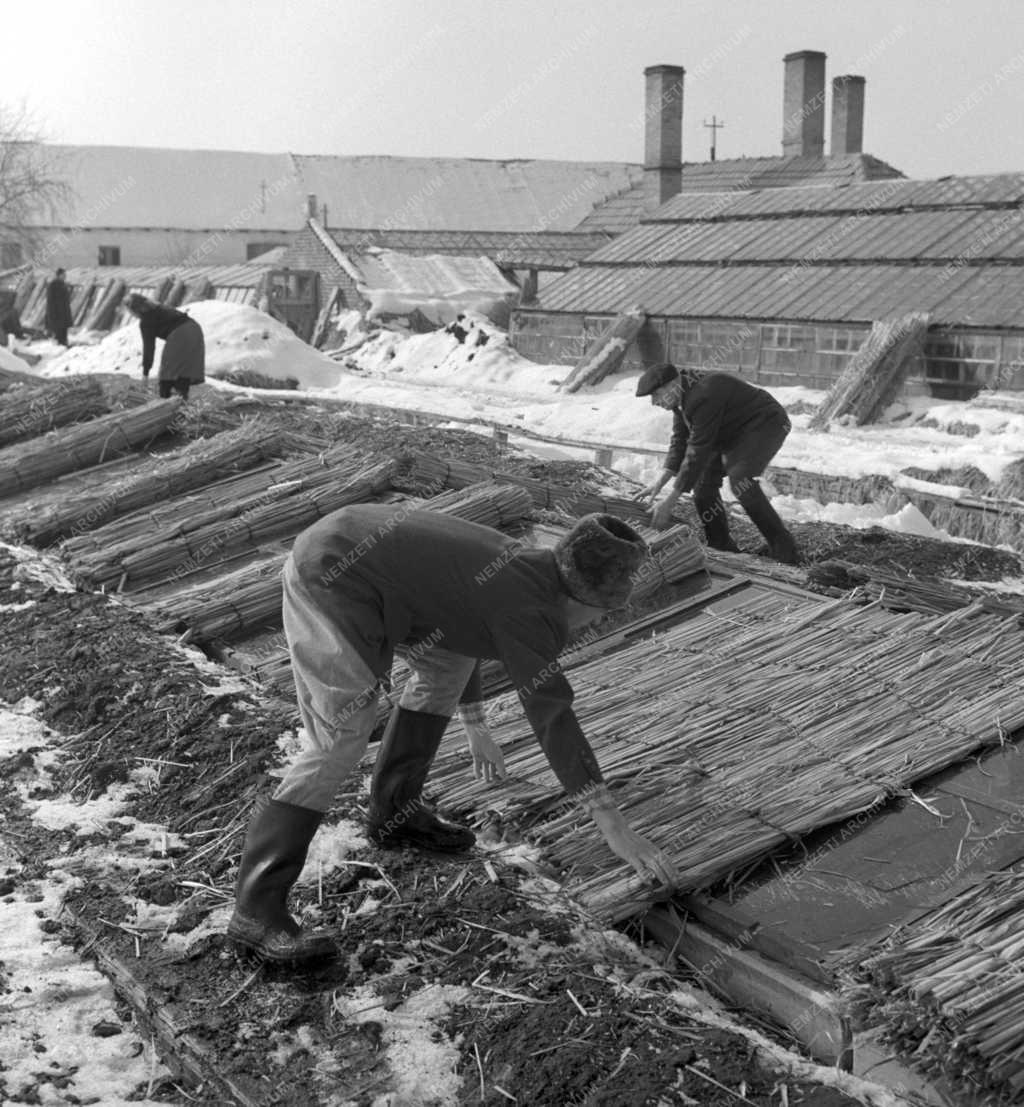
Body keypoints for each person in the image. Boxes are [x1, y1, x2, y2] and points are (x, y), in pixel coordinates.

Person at [227, 507, 679, 965]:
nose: (595, 624)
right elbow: (552, 713)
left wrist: (475, 724)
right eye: (603, 614)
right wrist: (612, 824)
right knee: (341, 734)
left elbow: (463, 626)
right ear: (584, 599)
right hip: (332, 573)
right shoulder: (531, 606)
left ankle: (395, 813)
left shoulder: (528, 570)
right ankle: (256, 910)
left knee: (446, 666)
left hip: (370, 565)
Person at [634, 363, 799, 565]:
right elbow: (680, 440)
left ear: (673, 384)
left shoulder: (703, 393)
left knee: (740, 480)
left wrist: (671, 499)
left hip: (765, 422)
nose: (654, 402)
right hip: (728, 431)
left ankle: (785, 550)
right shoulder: (683, 395)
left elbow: (698, 448)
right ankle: (720, 545)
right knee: (702, 485)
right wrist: (660, 481)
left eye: (656, 394)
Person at [125, 293, 205, 400]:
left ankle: (165, 401)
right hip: (195, 330)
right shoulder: (160, 308)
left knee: (167, 373)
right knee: (184, 369)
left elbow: (149, 347)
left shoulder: (146, 320)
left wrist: (145, 374)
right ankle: (182, 400)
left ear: (134, 310)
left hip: (179, 333)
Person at [44, 268, 72, 347]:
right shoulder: (53, 285)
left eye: (65, 275)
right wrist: (52, 313)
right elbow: (50, 301)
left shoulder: (63, 284)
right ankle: (60, 345)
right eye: (63, 275)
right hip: (57, 312)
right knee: (58, 330)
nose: (65, 277)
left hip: (64, 310)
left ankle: (64, 343)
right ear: (58, 275)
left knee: (64, 329)